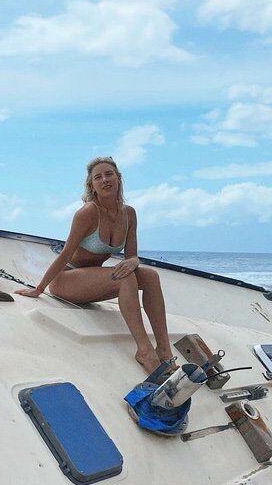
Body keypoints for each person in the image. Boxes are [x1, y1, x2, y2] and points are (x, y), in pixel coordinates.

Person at [15, 156, 173, 374]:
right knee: (124, 277)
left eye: (109, 174)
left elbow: (131, 256)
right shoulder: (88, 213)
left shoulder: (129, 214)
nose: (104, 180)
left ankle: (164, 349)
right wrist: (39, 288)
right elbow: (65, 254)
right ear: (92, 186)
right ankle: (144, 350)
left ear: (118, 178)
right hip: (66, 280)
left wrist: (134, 260)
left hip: (91, 280)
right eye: (98, 177)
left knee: (151, 276)